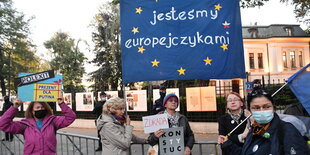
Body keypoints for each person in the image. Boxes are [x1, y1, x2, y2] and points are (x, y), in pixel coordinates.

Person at [219, 88, 309, 155]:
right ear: (250, 110)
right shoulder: (253, 131)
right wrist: (227, 144)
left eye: (266, 107)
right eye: (256, 108)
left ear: (273, 107)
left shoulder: (287, 130)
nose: (262, 111)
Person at [0, 97, 76, 155]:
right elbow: (2, 124)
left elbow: (70, 117)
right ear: (32, 111)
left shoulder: (53, 121)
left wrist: (61, 103)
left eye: (43, 107)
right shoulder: (24, 125)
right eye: (37, 108)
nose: (41, 109)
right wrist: (14, 107)